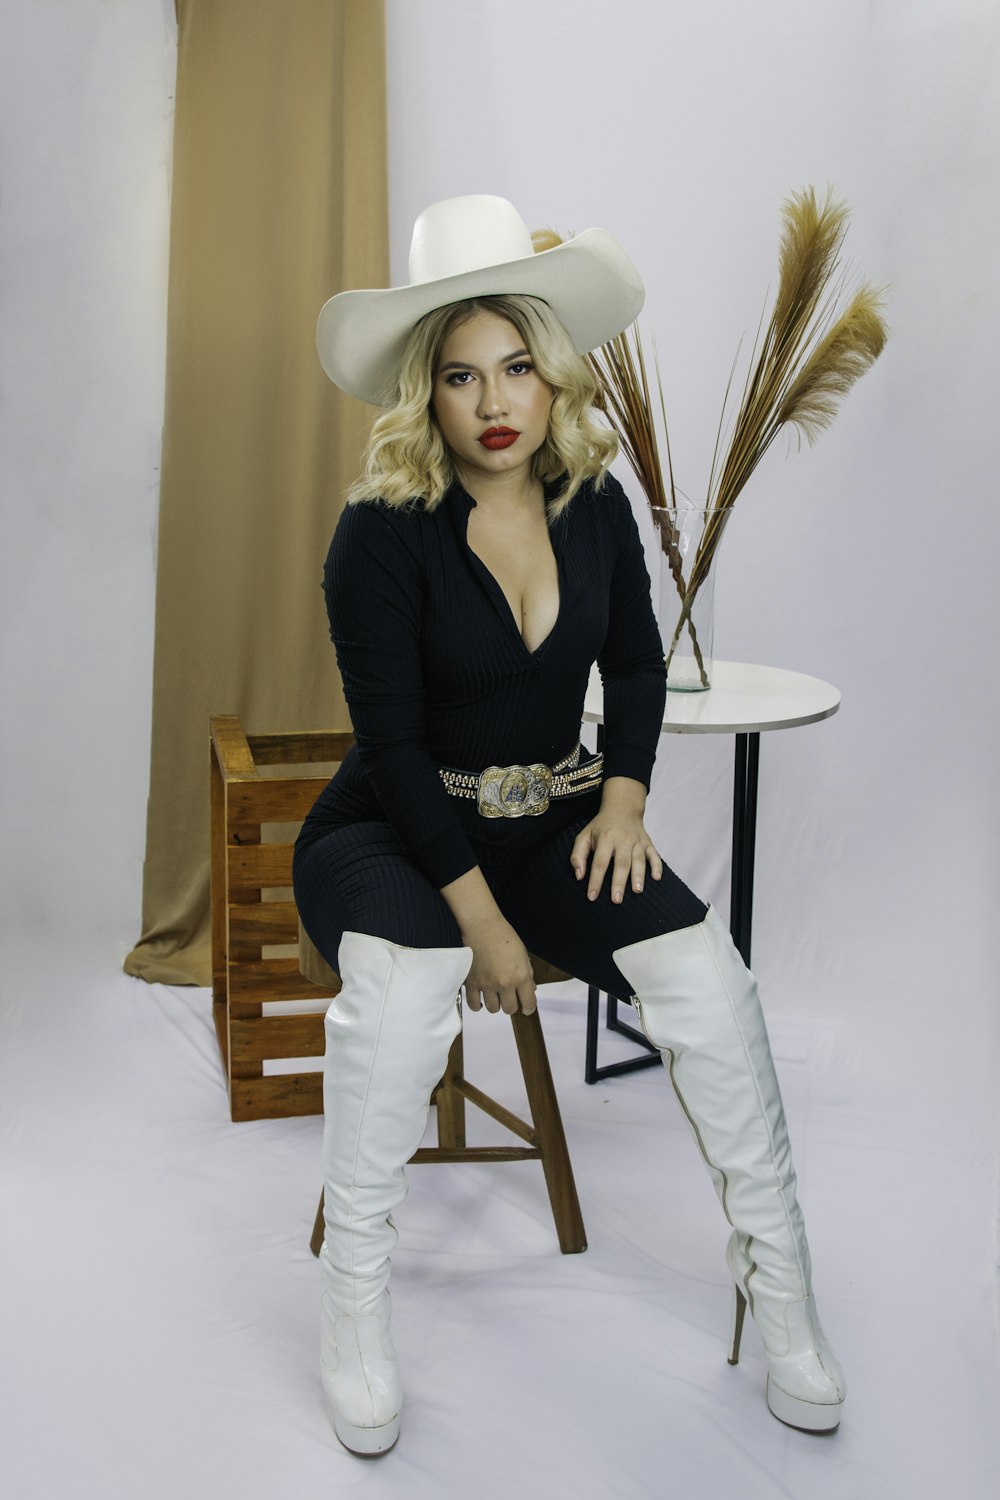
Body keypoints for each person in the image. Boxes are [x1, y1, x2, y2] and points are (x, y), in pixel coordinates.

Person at [293, 194, 846, 1456]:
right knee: (406, 976)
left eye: (517, 367)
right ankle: (354, 1314)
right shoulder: (374, 538)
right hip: (388, 827)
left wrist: (628, 796)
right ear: (423, 398)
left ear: (552, 375)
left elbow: (639, 672)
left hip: (552, 817)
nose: (494, 400)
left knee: (705, 978)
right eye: (459, 376)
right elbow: (388, 749)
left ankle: (785, 1305)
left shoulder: (594, 505)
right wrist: (480, 923)